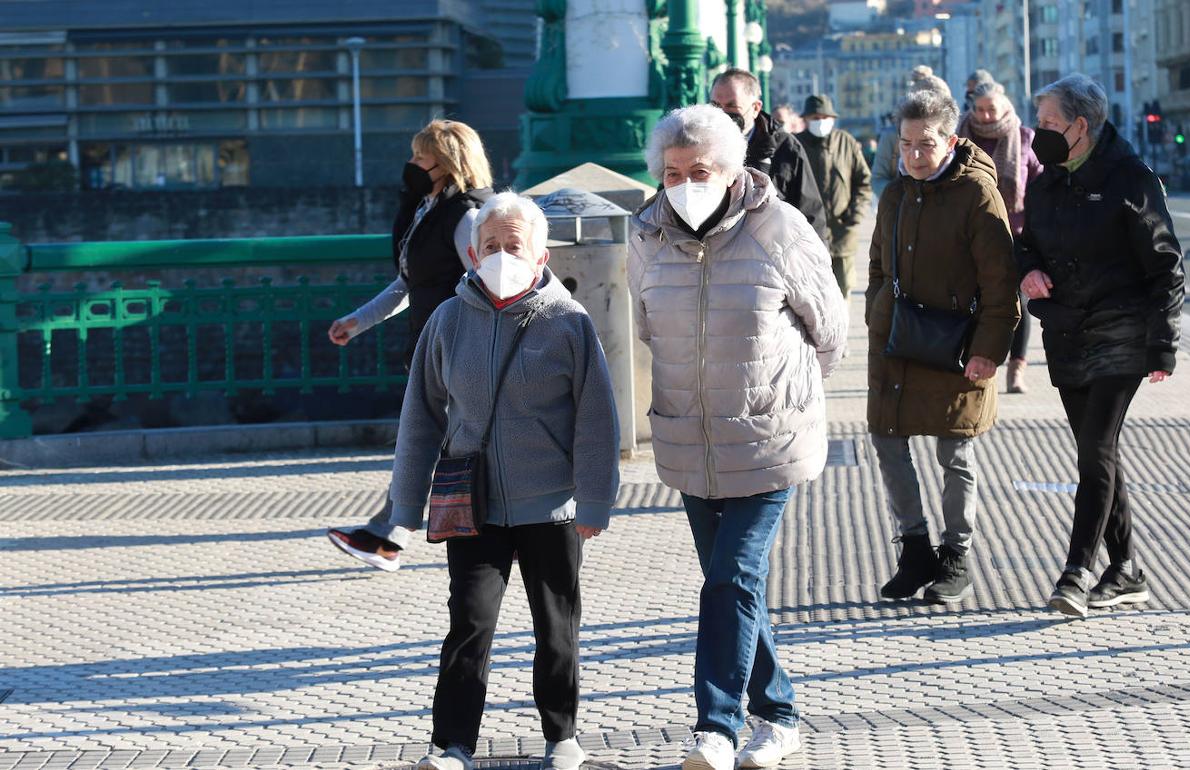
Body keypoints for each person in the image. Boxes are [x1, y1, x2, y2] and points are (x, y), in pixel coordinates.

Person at [628, 104, 849, 770]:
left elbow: (830, 328)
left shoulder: (778, 227)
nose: (685, 181)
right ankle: (779, 717)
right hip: (691, 439)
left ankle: (717, 729)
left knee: (729, 580)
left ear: (729, 172)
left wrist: (786, 394)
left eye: (700, 170)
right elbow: (644, 322)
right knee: (735, 588)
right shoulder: (647, 235)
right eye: (673, 171)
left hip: (768, 437)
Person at [388, 192, 621, 770]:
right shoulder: (447, 319)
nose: (500, 254)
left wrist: (595, 498)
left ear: (541, 254)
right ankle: (452, 744)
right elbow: (421, 416)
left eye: (512, 245)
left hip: (553, 506)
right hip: (475, 505)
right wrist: (403, 505)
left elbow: (597, 419)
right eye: (489, 245)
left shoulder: (569, 321)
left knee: (557, 624)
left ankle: (561, 736)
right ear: (472, 252)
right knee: (469, 623)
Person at [1016, 75, 1184, 618]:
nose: (1036, 133)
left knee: (1095, 450)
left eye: (1045, 124)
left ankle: (1076, 571)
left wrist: (1162, 344)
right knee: (1098, 455)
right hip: (1067, 331)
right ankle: (1128, 569)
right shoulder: (1044, 183)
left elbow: (1166, 265)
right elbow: (1026, 245)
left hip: (1121, 330)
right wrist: (1029, 270)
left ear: (1080, 127)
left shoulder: (1130, 179)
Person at [865, 89, 1020, 605]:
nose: (912, 155)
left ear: (950, 140)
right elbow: (877, 268)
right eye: (905, 144)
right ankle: (914, 551)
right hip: (896, 344)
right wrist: (875, 312)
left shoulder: (977, 194)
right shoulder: (895, 194)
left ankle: (956, 556)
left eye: (924, 144)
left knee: (954, 452)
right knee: (889, 444)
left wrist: (988, 350)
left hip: (957, 347)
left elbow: (1001, 283)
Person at [324, 120, 494, 572]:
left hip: (457, 346)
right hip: (431, 344)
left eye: (421, 157)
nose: (413, 165)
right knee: (435, 443)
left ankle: (389, 536)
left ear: (448, 161)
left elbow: (486, 282)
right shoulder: (430, 209)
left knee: (424, 442)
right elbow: (409, 282)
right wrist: (357, 321)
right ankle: (389, 536)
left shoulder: (466, 216)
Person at [958, 81, 1044, 393]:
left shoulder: (1023, 137)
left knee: (1017, 303)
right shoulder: (960, 137)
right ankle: (979, 361)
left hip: (1014, 234)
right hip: (970, 235)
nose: (985, 115)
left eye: (991, 108)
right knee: (977, 302)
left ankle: (1016, 369)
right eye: (979, 109)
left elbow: (1039, 183)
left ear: (1005, 107)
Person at [709, 68, 828, 242]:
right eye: (716, 106)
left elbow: (810, 213)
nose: (723, 114)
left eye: (732, 106)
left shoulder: (785, 147)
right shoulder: (696, 143)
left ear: (756, 108)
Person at [795, 93, 873, 301]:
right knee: (810, 293)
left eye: (824, 117)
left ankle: (841, 333)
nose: (819, 122)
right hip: (807, 234)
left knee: (843, 288)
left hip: (842, 233)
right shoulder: (796, 144)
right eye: (814, 118)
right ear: (806, 119)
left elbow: (863, 181)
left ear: (832, 119)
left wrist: (855, 214)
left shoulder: (845, 142)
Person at [871, 66, 953, 200]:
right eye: (907, 144)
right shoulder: (891, 136)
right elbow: (877, 179)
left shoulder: (958, 134)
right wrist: (907, 198)